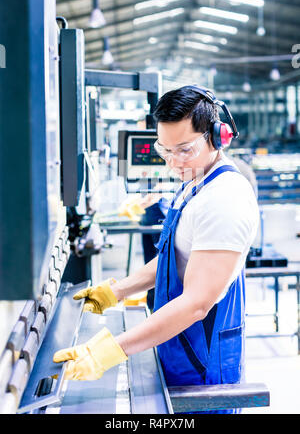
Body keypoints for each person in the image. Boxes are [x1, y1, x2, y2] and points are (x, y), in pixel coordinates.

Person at [53, 86, 259, 414]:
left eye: (185, 150)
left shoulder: (225, 199)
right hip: (177, 347)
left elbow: (195, 305)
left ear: (218, 137)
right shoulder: (194, 181)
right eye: (165, 150)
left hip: (203, 368)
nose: (174, 162)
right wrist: (114, 291)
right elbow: (172, 258)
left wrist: (109, 351)